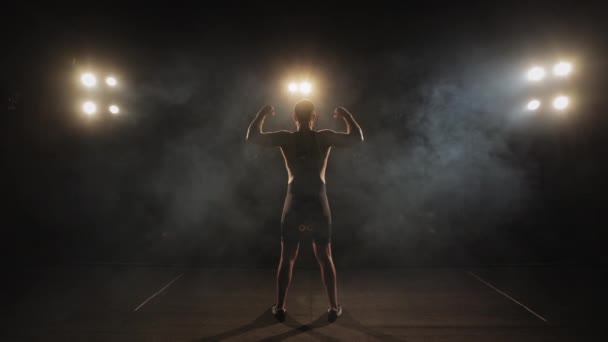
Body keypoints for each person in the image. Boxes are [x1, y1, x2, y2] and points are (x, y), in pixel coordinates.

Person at [246, 100, 363, 322]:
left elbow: (252, 136)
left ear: (294, 118)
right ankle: (332, 307)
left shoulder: (286, 138)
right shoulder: (324, 137)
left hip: (295, 200)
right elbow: (357, 138)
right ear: (315, 116)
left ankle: (280, 307)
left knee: (287, 257)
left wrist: (262, 113)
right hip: (318, 201)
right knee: (324, 256)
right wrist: (347, 115)